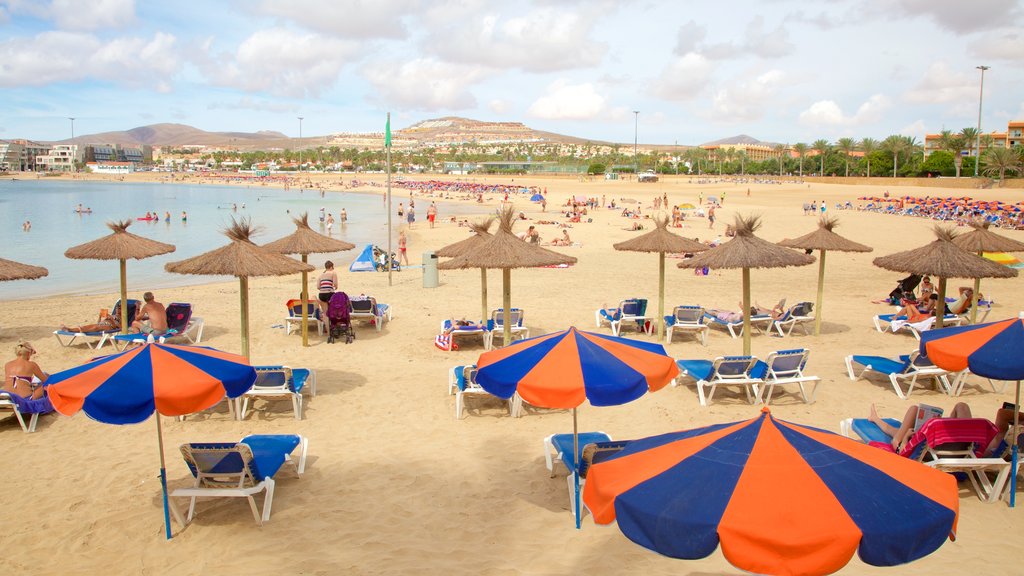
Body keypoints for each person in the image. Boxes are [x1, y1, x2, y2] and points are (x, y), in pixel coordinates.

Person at [869, 402, 973, 453]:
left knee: (914, 410)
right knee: (962, 406)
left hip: (928, 447)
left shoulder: (920, 446)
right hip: (961, 446)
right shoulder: (969, 447)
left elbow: (899, 450)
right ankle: (875, 418)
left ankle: (874, 418)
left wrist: (905, 438)